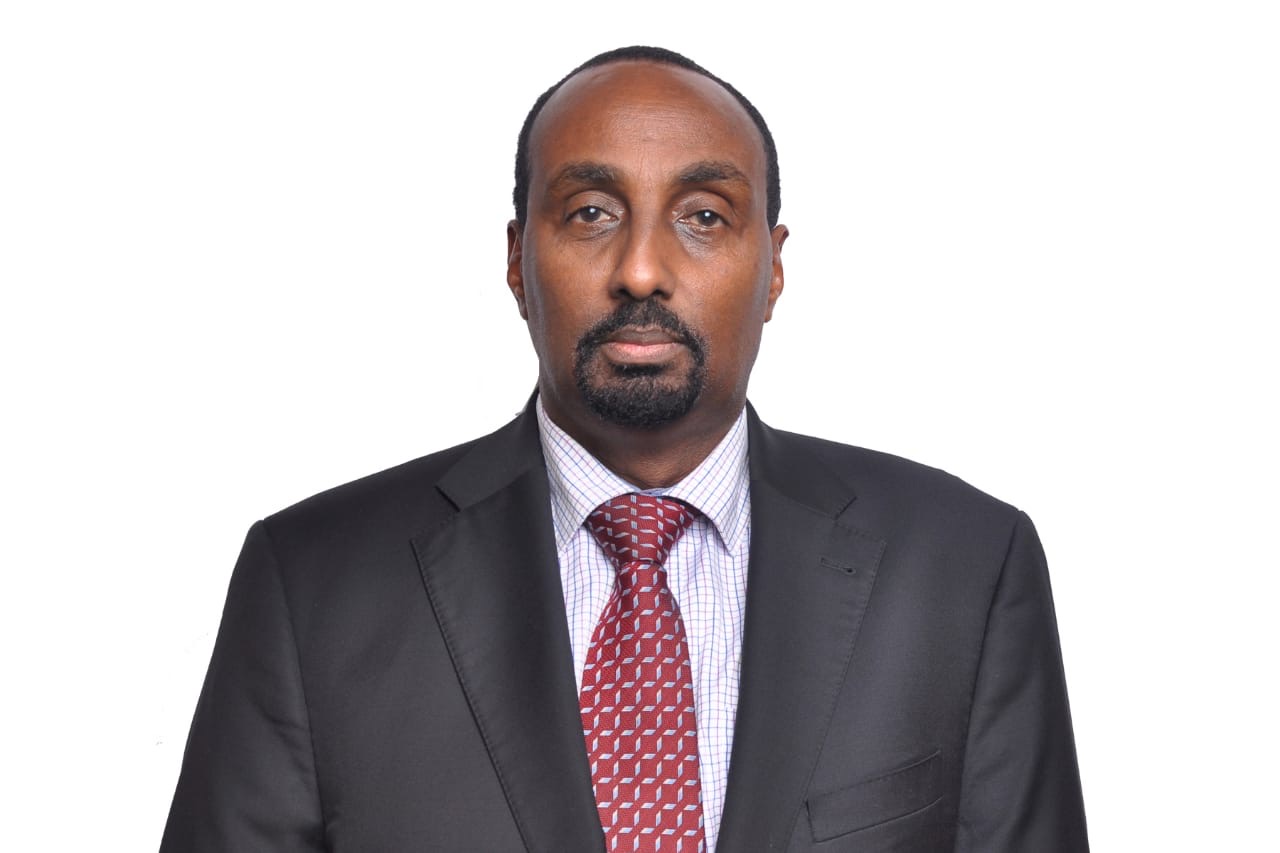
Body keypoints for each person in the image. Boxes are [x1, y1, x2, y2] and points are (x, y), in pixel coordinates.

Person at [161, 46, 1088, 852]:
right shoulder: (311, 583)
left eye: (704, 215)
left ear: (774, 267)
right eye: (592, 213)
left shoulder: (965, 567)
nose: (642, 269)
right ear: (516, 261)